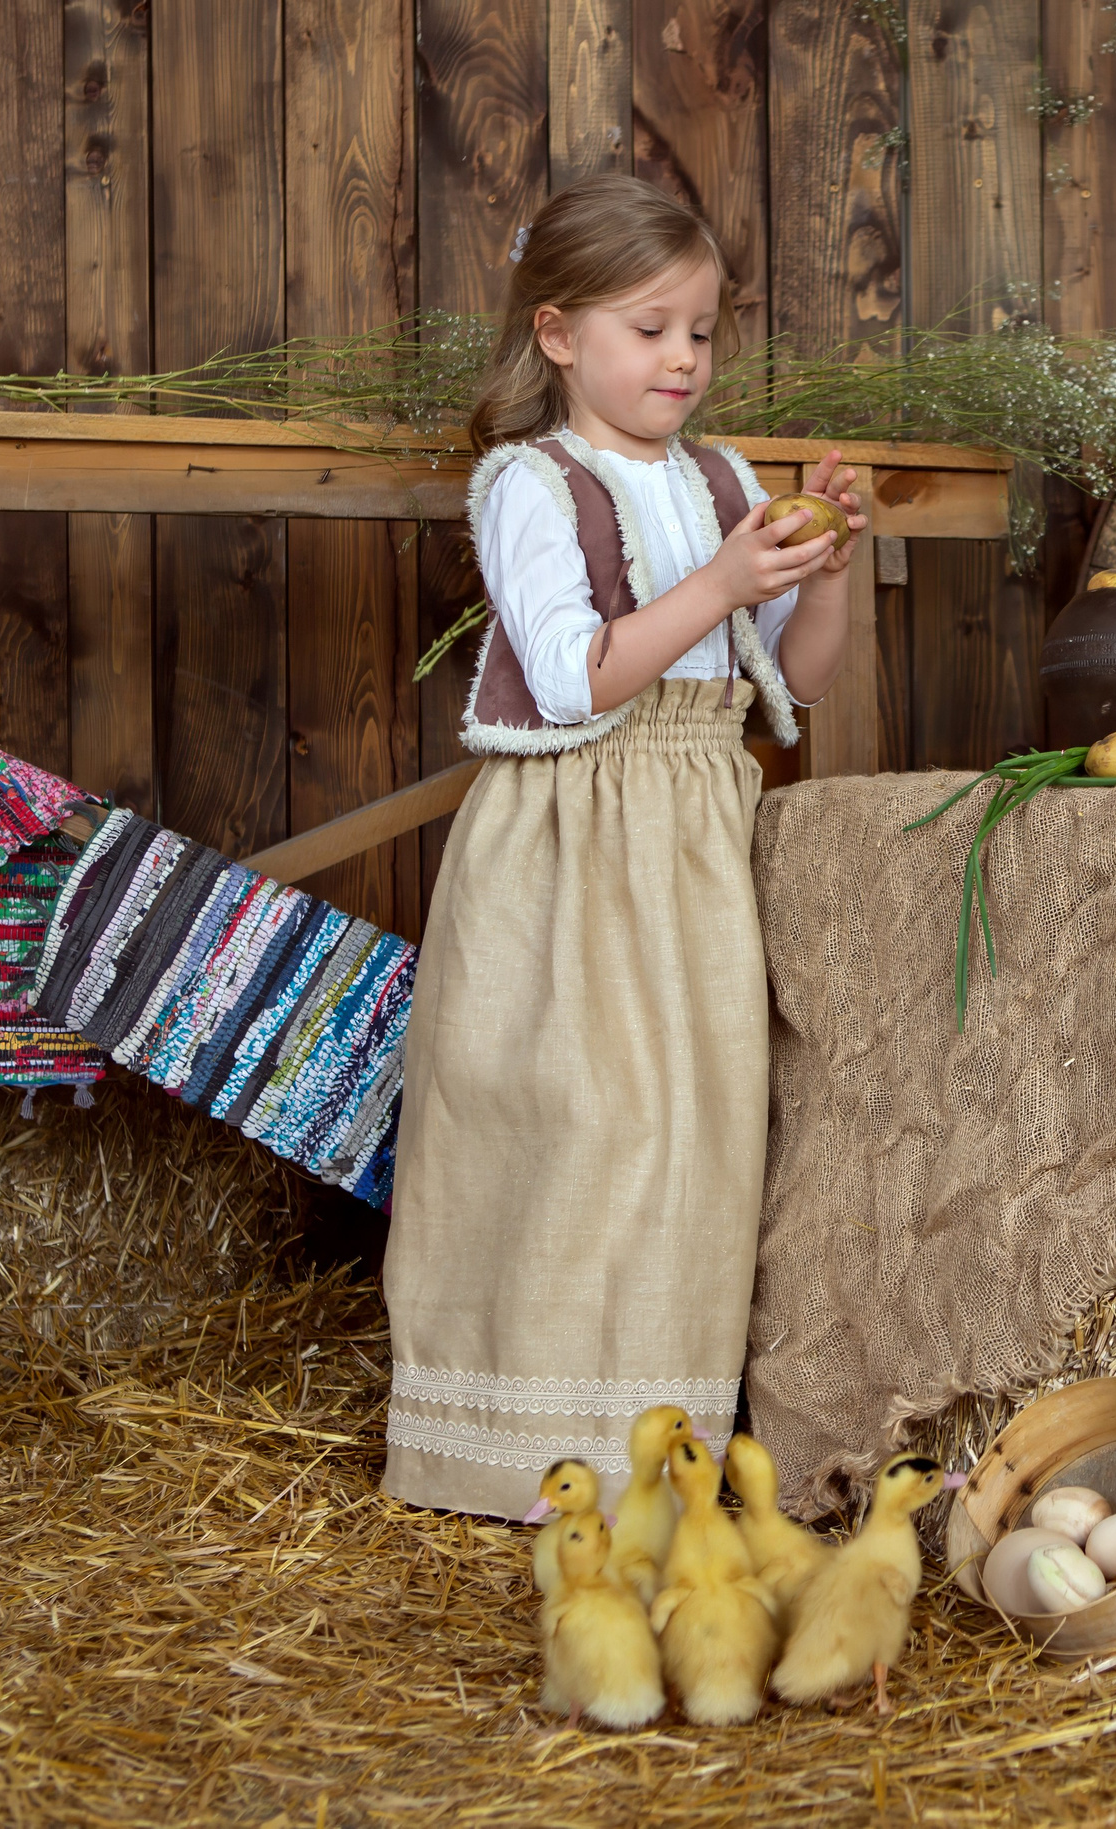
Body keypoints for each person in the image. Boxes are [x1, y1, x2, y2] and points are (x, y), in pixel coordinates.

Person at [380, 174, 865, 1519]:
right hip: (575, 839)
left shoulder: (721, 479)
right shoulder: (529, 485)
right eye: (649, 329)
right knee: (578, 1120)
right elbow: (575, 673)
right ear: (557, 335)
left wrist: (823, 577)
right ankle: (523, 1449)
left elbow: (796, 687)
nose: (682, 360)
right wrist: (718, 581)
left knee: (697, 1131)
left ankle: (654, 1447)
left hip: (698, 825)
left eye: (701, 332)